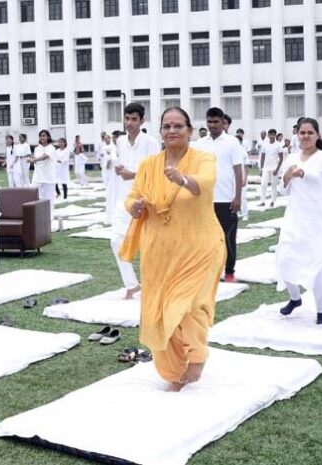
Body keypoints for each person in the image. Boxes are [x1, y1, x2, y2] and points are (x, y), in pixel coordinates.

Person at [121, 106, 225, 390]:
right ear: (161, 133)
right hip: (160, 253)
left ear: (190, 131)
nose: (172, 131)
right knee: (162, 310)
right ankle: (174, 365)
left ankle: (197, 356)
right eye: (166, 126)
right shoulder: (148, 166)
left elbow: (204, 184)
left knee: (189, 306)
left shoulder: (204, 158)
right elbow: (130, 198)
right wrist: (136, 206)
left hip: (200, 247)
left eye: (178, 126)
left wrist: (182, 179)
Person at [276, 118, 322, 325]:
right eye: (302, 132)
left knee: (317, 264)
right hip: (295, 215)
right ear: (297, 135)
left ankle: (321, 312)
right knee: (284, 258)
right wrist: (287, 177)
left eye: (310, 132)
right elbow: (284, 188)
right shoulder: (291, 156)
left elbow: (317, 178)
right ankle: (295, 298)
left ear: (317, 135)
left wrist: (300, 172)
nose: (306, 136)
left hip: (317, 218)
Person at [112, 102, 160, 299]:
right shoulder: (121, 142)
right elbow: (123, 167)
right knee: (116, 240)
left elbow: (156, 172)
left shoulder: (151, 142)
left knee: (149, 245)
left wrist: (132, 174)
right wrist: (121, 170)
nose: (129, 123)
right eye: (127, 119)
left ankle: (155, 285)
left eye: (134, 119)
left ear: (142, 121)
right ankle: (132, 285)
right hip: (124, 198)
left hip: (144, 199)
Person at [194, 107, 243, 283]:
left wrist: (237, 197)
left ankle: (229, 272)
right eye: (210, 122)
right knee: (206, 238)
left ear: (223, 122)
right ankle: (208, 270)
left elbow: (238, 171)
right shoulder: (200, 144)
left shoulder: (232, 142)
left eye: (216, 122)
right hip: (205, 199)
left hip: (226, 199)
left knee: (228, 237)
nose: (213, 125)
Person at [29, 129, 57, 217]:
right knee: (33, 197)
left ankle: (49, 219)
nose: (42, 137)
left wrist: (34, 160)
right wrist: (32, 159)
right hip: (37, 177)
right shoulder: (37, 148)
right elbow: (34, 158)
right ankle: (36, 217)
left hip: (48, 178)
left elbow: (45, 157)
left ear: (48, 137)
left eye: (44, 135)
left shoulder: (51, 148)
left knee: (49, 200)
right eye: (41, 136)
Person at [258, 129, 284, 207]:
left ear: (275, 135)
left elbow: (281, 158)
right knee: (263, 184)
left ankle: (273, 201)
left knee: (273, 185)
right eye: (270, 134)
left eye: (273, 134)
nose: (272, 136)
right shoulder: (265, 145)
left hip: (274, 168)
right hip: (266, 168)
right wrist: (261, 169)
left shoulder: (278, 145)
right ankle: (262, 201)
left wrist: (277, 169)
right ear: (268, 135)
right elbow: (262, 157)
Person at [101, 133, 118, 224]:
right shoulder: (111, 148)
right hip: (112, 174)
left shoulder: (115, 148)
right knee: (112, 194)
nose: (114, 139)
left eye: (116, 138)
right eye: (113, 138)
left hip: (119, 176)